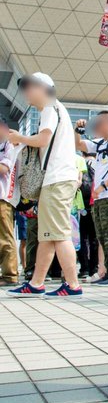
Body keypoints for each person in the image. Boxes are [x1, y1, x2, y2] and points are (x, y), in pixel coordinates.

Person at [7, 73, 82, 298]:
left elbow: (43, 139)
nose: (27, 93)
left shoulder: (50, 107)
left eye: (30, 88)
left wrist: (20, 138)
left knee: (59, 234)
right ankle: (36, 283)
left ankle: (73, 285)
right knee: (48, 235)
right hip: (58, 179)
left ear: (43, 88)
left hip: (57, 179)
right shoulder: (55, 109)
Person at [74, 112, 108, 286]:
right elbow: (79, 144)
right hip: (99, 199)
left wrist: (103, 186)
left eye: (100, 122)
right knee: (103, 236)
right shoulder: (100, 143)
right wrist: (78, 130)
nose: (96, 126)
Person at [0, 116, 20, 287]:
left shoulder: (9, 145)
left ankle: (10, 275)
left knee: (5, 237)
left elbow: (4, 168)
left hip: (3, 197)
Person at [78, 153, 98, 280]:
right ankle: (94, 267)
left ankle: (84, 268)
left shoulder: (80, 163)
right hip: (95, 203)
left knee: (82, 238)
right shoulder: (98, 164)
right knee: (94, 238)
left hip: (80, 205)